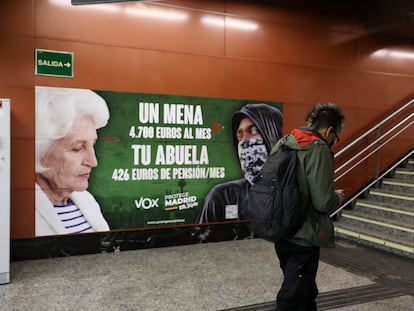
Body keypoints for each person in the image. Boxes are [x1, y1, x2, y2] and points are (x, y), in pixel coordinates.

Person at [271, 102, 345, 311]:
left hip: (280, 228)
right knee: (293, 295)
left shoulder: (284, 142)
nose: (333, 142)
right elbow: (323, 202)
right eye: (335, 137)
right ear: (329, 130)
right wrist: (337, 197)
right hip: (304, 233)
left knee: (303, 289)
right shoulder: (318, 148)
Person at [35, 86, 110, 236]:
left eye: (92, 145)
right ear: (39, 151)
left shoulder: (86, 200)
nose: (93, 162)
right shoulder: (15, 208)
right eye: (78, 148)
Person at [196, 103, 283, 223]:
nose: (244, 142)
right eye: (239, 135)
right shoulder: (223, 197)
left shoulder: (295, 193)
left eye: (253, 131)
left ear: (273, 134)